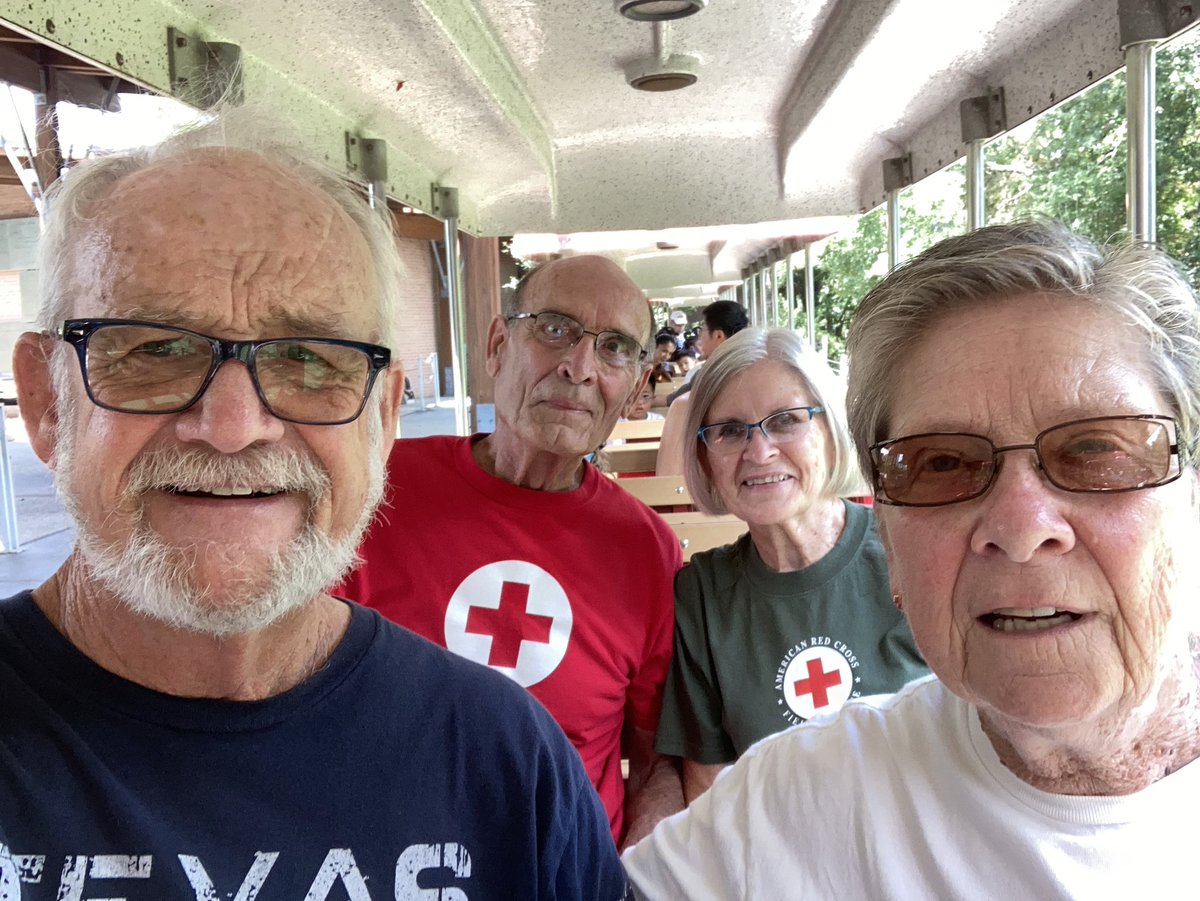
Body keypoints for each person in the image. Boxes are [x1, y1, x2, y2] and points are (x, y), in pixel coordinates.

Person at [2, 119, 629, 897]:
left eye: (309, 359)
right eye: (154, 349)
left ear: (385, 416)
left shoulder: (502, 759)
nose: (232, 428)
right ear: (45, 402)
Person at [624, 220, 1200, 898]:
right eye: (942, 464)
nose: (1020, 527)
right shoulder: (795, 800)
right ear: (892, 547)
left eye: (1096, 450)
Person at [340, 254, 685, 847]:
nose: (579, 368)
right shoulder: (376, 491)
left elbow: (657, 763)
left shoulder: (647, 550)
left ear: (633, 384)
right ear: (499, 344)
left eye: (614, 348)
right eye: (555, 329)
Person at [656, 328, 928, 803]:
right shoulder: (702, 595)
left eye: (785, 421)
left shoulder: (912, 552)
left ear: (829, 430)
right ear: (705, 457)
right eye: (730, 431)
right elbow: (711, 794)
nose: (758, 452)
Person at [655, 299, 750, 473]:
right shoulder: (761, 370)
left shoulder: (709, 375)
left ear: (718, 335)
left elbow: (674, 400)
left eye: (704, 330)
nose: (700, 337)